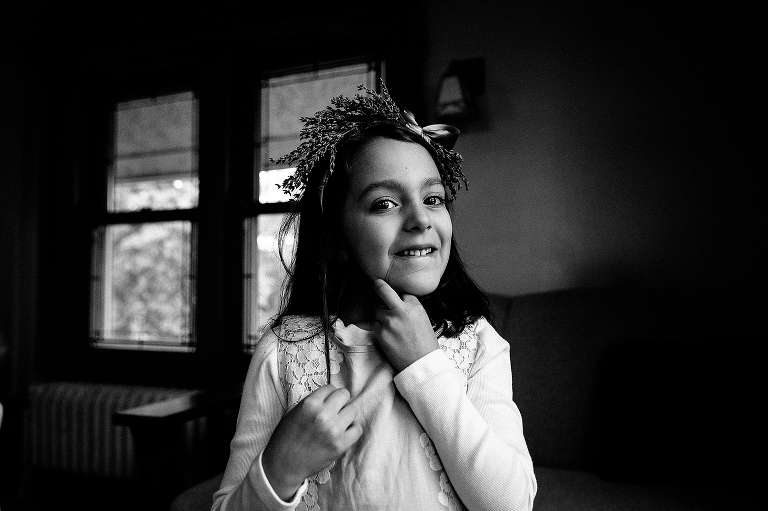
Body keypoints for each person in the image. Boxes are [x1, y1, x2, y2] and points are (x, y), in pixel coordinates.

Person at [212, 83, 537, 511]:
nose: (420, 219)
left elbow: (511, 504)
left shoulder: (477, 344)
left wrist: (425, 367)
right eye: (384, 203)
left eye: (433, 198)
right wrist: (281, 468)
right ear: (337, 238)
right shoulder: (284, 351)